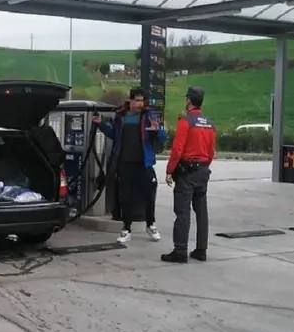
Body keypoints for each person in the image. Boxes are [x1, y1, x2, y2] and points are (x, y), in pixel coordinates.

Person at [93, 87, 167, 244]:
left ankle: (151, 224)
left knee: (149, 195)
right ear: (131, 100)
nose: (140, 104)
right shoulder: (121, 117)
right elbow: (114, 135)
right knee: (126, 198)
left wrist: (155, 131)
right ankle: (126, 229)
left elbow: (162, 136)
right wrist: (100, 125)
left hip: (144, 164)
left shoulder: (149, 116)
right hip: (125, 163)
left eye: (142, 101)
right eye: (137, 100)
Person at [161, 86, 216, 263]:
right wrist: (204, 166)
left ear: (188, 100)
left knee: (182, 212)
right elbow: (211, 151)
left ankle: (180, 251)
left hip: (187, 172)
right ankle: (201, 250)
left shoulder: (186, 121)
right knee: (201, 212)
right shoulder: (209, 122)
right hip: (202, 171)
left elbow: (177, 149)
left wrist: (170, 170)